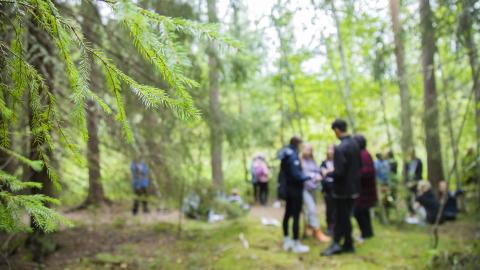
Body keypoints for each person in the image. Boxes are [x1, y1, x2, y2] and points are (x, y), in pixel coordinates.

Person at [321, 119, 361, 256]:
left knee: (340, 218)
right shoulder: (355, 144)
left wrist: (328, 172)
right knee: (345, 218)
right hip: (354, 189)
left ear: (337, 130)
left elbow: (339, 172)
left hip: (342, 191)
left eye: (334, 131)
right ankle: (348, 244)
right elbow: (358, 167)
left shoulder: (340, 148)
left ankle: (336, 244)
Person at [279, 136, 311, 253]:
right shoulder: (292, 156)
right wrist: (309, 177)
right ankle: (295, 242)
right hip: (294, 190)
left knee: (288, 214)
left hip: (288, 190)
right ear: (297, 144)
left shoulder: (286, 153)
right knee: (295, 215)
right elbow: (296, 175)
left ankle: (287, 239)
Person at [301, 144, 330, 242]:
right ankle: (318, 232)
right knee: (311, 209)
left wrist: (319, 174)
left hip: (313, 188)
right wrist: (313, 176)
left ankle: (309, 229)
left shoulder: (312, 161)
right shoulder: (300, 161)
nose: (308, 152)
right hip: (303, 189)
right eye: (306, 149)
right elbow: (302, 174)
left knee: (310, 209)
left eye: (310, 150)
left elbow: (318, 171)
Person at [353, 135, 377, 241]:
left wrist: (354, 174)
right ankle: (368, 233)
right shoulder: (363, 154)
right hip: (365, 190)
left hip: (364, 190)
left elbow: (367, 172)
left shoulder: (364, 155)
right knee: (363, 212)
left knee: (358, 212)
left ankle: (365, 233)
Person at [320, 144, 336, 236]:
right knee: (329, 209)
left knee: (336, 208)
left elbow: (338, 172)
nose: (330, 151)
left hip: (337, 189)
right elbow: (323, 174)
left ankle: (336, 226)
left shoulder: (338, 162)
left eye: (332, 149)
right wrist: (332, 171)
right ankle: (330, 227)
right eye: (329, 149)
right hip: (327, 190)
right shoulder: (324, 163)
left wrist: (328, 172)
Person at [405, 150, 423, 216]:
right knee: (407, 197)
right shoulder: (407, 162)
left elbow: (419, 173)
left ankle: (418, 212)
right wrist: (407, 182)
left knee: (417, 197)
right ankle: (411, 212)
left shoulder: (419, 161)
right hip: (408, 183)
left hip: (416, 183)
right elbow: (406, 173)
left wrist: (415, 182)